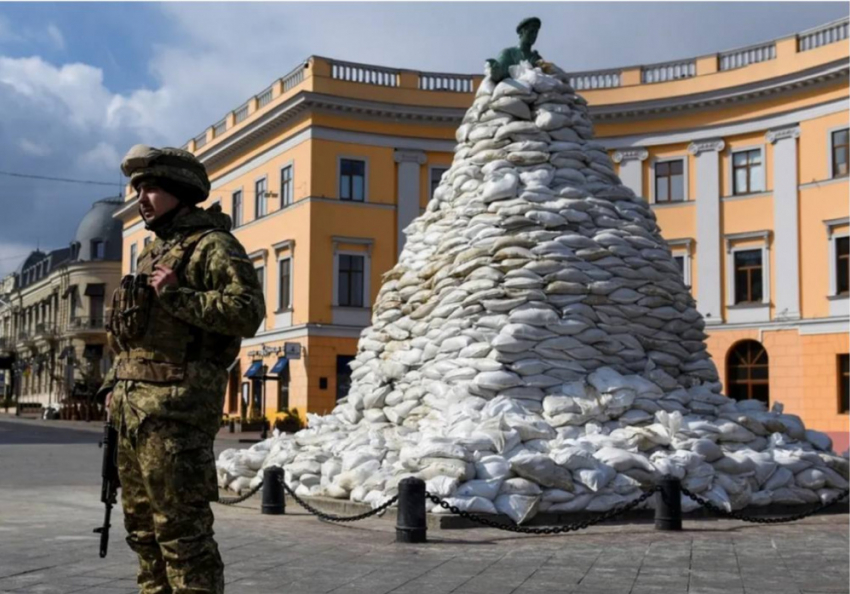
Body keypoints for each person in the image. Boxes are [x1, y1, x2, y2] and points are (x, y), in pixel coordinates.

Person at [99, 145, 265, 594]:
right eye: (138, 190)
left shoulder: (212, 245)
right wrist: (114, 385)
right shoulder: (152, 254)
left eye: (151, 188)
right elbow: (134, 339)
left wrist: (178, 295)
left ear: (180, 191)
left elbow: (247, 311)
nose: (142, 199)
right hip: (134, 418)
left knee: (182, 537)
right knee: (143, 534)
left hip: (176, 419)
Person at [486, 17, 546, 83]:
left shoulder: (537, 58)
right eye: (531, 31)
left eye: (536, 32)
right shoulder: (508, 54)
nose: (534, 35)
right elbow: (498, 75)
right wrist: (495, 70)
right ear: (521, 32)